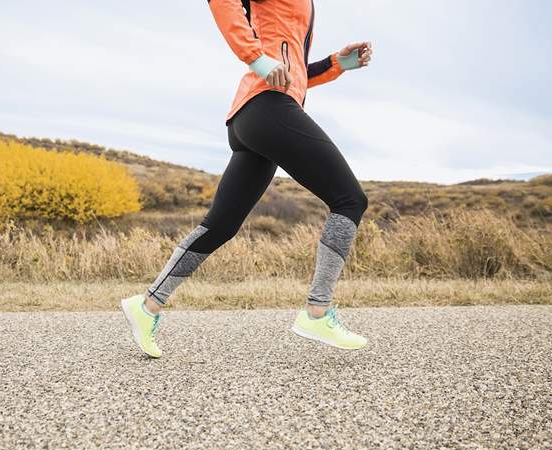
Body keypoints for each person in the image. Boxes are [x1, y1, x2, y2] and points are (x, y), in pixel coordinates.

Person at [121, 0, 373, 358]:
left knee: (220, 225)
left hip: (255, 116)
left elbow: (291, 70)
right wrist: (255, 57)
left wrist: (337, 65)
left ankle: (147, 306)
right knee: (350, 199)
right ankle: (318, 311)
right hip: (267, 106)